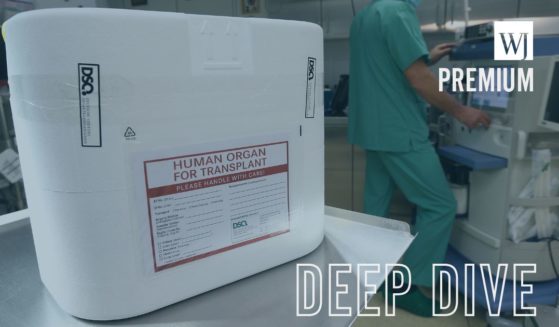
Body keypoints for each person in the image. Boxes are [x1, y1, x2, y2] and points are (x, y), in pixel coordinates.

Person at [348, 0, 491, 317]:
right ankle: (409, 284)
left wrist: (429, 59)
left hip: (373, 128)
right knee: (439, 206)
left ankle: (374, 273)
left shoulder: (366, 17)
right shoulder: (398, 11)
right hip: (400, 130)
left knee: (377, 208)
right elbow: (418, 80)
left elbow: (389, 69)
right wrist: (462, 110)